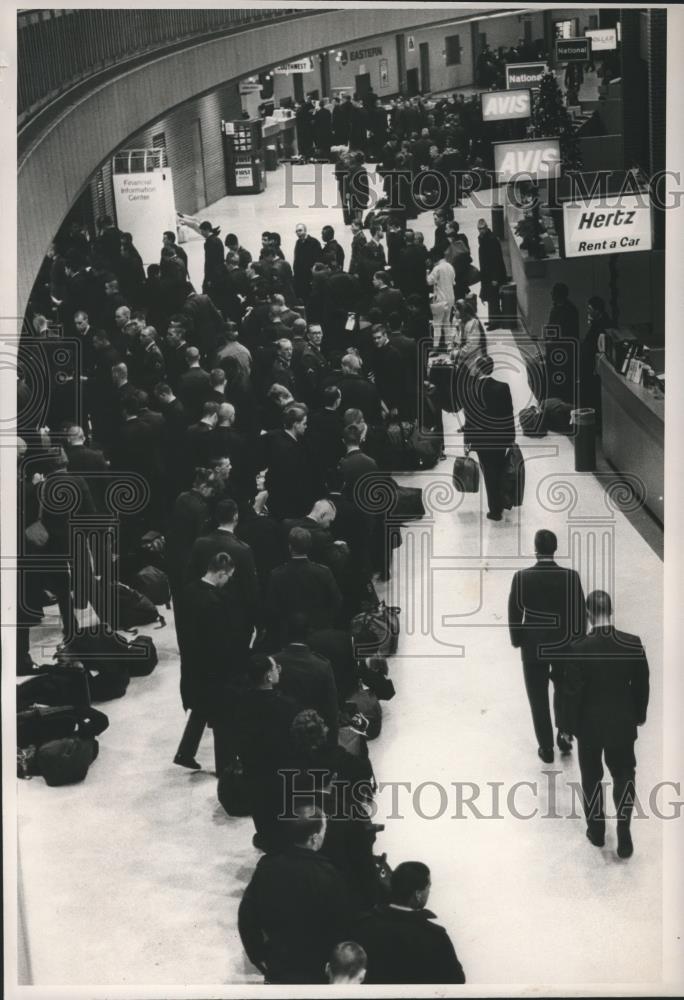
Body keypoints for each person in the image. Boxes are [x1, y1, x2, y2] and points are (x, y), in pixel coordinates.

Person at [561, 590, 650, 859]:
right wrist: (639, 714)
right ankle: (624, 830)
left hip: (589, 728)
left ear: (588, 615)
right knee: (624, 774)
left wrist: (566, 727)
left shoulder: (578, 648)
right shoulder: (632, 643)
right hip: (622, 723)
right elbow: (642, 684)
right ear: (611, 612)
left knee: (592, 778)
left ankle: (597, 831)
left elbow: (571, 692)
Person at [238, 804, 354, 984]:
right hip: (317, 966)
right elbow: (341, 926)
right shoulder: (331, 876)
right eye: (324, 831)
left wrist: (257, 955)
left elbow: (247, 916)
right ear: (314, 839)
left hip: (277, 962)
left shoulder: (266, 867)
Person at [508, 528, 587, 764]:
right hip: (564, 646)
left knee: (537, 697)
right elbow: (579, 613)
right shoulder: (571, 577)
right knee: (564, 691)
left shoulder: (522, 577)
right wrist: (578, 644)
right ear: (555, 549)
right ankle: (564, 734)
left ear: (535, 549)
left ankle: (546, 748)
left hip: (533, 648)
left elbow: (514, 612)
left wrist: (517, 639)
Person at [174, 551, 237, 772]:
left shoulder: (188, 591)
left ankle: (185, 752)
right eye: (228, 576)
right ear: (221, 573)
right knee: (221, 715)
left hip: (192, 662)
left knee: (200, 708)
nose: (228, 581)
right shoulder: (216, 602)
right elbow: (220, 641)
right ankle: (224, 766)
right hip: (213, 667)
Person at [354, 861, 466, 985]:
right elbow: (457, 981)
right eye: (429, 887)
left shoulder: (363, 926)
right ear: (418, 894)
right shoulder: (435, 936)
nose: (429, 892)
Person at [266, 528, 342, 649]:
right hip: (319, 632)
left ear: (290, 547)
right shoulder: (323, 572)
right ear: (309, 546)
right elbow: (336, 601)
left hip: (288, 635)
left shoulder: (276, 574)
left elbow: (272, 608)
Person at [462, 355, 515, 521]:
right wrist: (510, 437)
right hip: (500, 438)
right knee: (500, 469)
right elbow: (509, 415)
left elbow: (469, 419)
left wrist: (467, 442)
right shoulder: (503, 387)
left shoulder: (471, 391)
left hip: (481, 440)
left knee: (489, 474)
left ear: (478, 369)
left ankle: (495, 510)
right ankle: (503, 500)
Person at [545, 282, 580, 406]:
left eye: (553, 293)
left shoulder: (566, 311)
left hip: (563, 351)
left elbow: (564, 332)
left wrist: (551, 341)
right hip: (559, 349)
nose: (551, 295)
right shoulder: (564, 309)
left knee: (562, 377)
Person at [476, 218, 507, 330]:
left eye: (483, 228)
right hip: (487, 273)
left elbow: (496, 260)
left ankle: (495, 322)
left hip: (492, 274)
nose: (481, 231)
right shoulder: (484, 238)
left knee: (493, 298)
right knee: (490, 297)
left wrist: (495, 278)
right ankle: (493, 319)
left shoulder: (492, 240)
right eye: (479, 229)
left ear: (486, 227)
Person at [427, 251, 455, 350]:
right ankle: (449, 344)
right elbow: (453, 281)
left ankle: (436, 346)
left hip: (440, 299)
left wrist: (426, 272)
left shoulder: (437, 268)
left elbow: (429, 281)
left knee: (437, 324)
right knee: (447, 322)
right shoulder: (450, 266)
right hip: (450, 297)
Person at [293, 224, 323, 304]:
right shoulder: (298, 243)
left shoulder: (314, 242)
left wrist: (314, 275)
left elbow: (318, 259)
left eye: (300, 230)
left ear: (305, 231)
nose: (298, 233)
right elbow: (296, 259)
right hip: (301, 277)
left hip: (310, 276)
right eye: (296, 231)